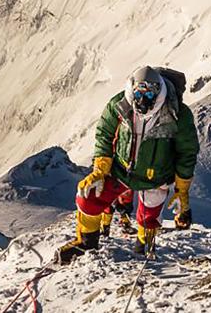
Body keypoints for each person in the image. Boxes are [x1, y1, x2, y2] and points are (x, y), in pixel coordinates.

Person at [56, 66, 199, 263]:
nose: (143, 99)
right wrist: (100, 170)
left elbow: (187, 152)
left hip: (155, 177)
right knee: (88, 197)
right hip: (121, 171)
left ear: (158, 92)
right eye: (139, 93)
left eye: (148, 93)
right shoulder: (120, 105)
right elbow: (104, 135)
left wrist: (182, 189)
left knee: (148, 217)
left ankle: (144, 246)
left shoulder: (177, 115)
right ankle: (86, 242)